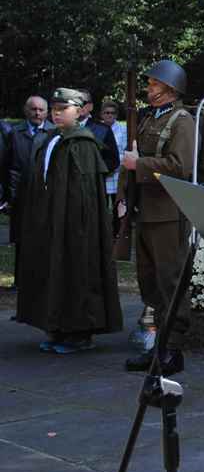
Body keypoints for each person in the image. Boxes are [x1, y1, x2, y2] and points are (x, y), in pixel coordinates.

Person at [15, 88, 123, 352]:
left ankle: (80, 333)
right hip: (51, 221)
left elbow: (86, 196)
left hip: (76, 226)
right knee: (55, 272)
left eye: (63, 109)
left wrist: (77, 227)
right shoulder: (52, 138)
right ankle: (58, 328)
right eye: (54, 108)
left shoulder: (83, 144)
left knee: (77, 274)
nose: (56, 113)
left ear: (80, 110)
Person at [117, 60, 195, 375]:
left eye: (154, 84)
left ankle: (172, 350)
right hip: (145, 210)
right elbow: (129, 160)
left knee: (170, 283)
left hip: (168, 213)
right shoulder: (150, 119)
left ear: (170, 89)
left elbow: (181, 165)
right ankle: (156, 347)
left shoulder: (182, 121)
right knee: (149, 283)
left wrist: (141, 165)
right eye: (148, 83)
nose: (149, 88)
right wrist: (124, 196)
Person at [6, 95, 54, 291]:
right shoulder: (15, 133)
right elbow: (8, 165)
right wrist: (9, 196)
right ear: (26, 110)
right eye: (33, 109)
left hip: (46, 195)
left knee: (46, 238)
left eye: (41, 110)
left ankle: (44, 280)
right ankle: (20, 280)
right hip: (21, 196)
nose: (37, 113)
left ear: (47, 111)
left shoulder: (53, 132)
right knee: (21, 239)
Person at [76, 89, 120, 175]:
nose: (79, 106)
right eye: (75, 103)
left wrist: (92, 170)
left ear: (90, 106)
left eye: (83, 102)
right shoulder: (62, 129)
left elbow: (113, 161)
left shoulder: (103, 130)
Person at [100, 100, 127, 211]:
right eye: (107, 112)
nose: (110, 115)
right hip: (102, 174)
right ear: (102, 114)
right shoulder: (97, 128)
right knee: (102, 208)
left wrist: (114, 163)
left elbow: (125, 152)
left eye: (112, 113)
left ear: (116, 114)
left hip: (118, 174)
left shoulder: (124, 129)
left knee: (118, 209)